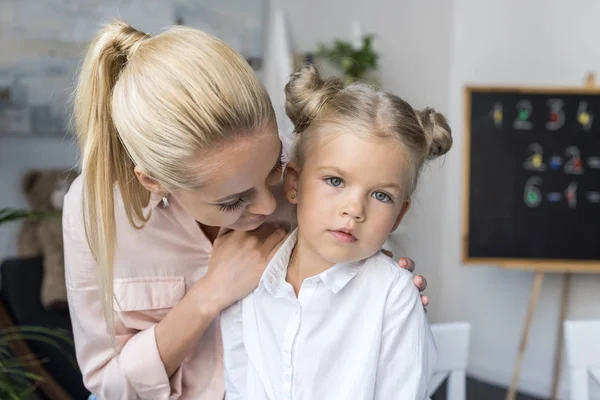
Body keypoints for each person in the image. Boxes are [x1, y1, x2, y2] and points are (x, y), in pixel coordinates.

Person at [64, 20, 430, 399]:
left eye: (273, 168)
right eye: (233, 200)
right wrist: (208, 296)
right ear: (154, 181)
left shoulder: (311, 172)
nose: (270, 204)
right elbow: (107, 384)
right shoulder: (94, 209)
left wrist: (381, 284)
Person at [221, 64, 453, 400]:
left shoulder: (393, 297)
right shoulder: (249, 282)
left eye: (381, 195)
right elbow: (239, 386)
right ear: (294, 184)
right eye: (335, 181)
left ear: (399, 214)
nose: (355, 210)